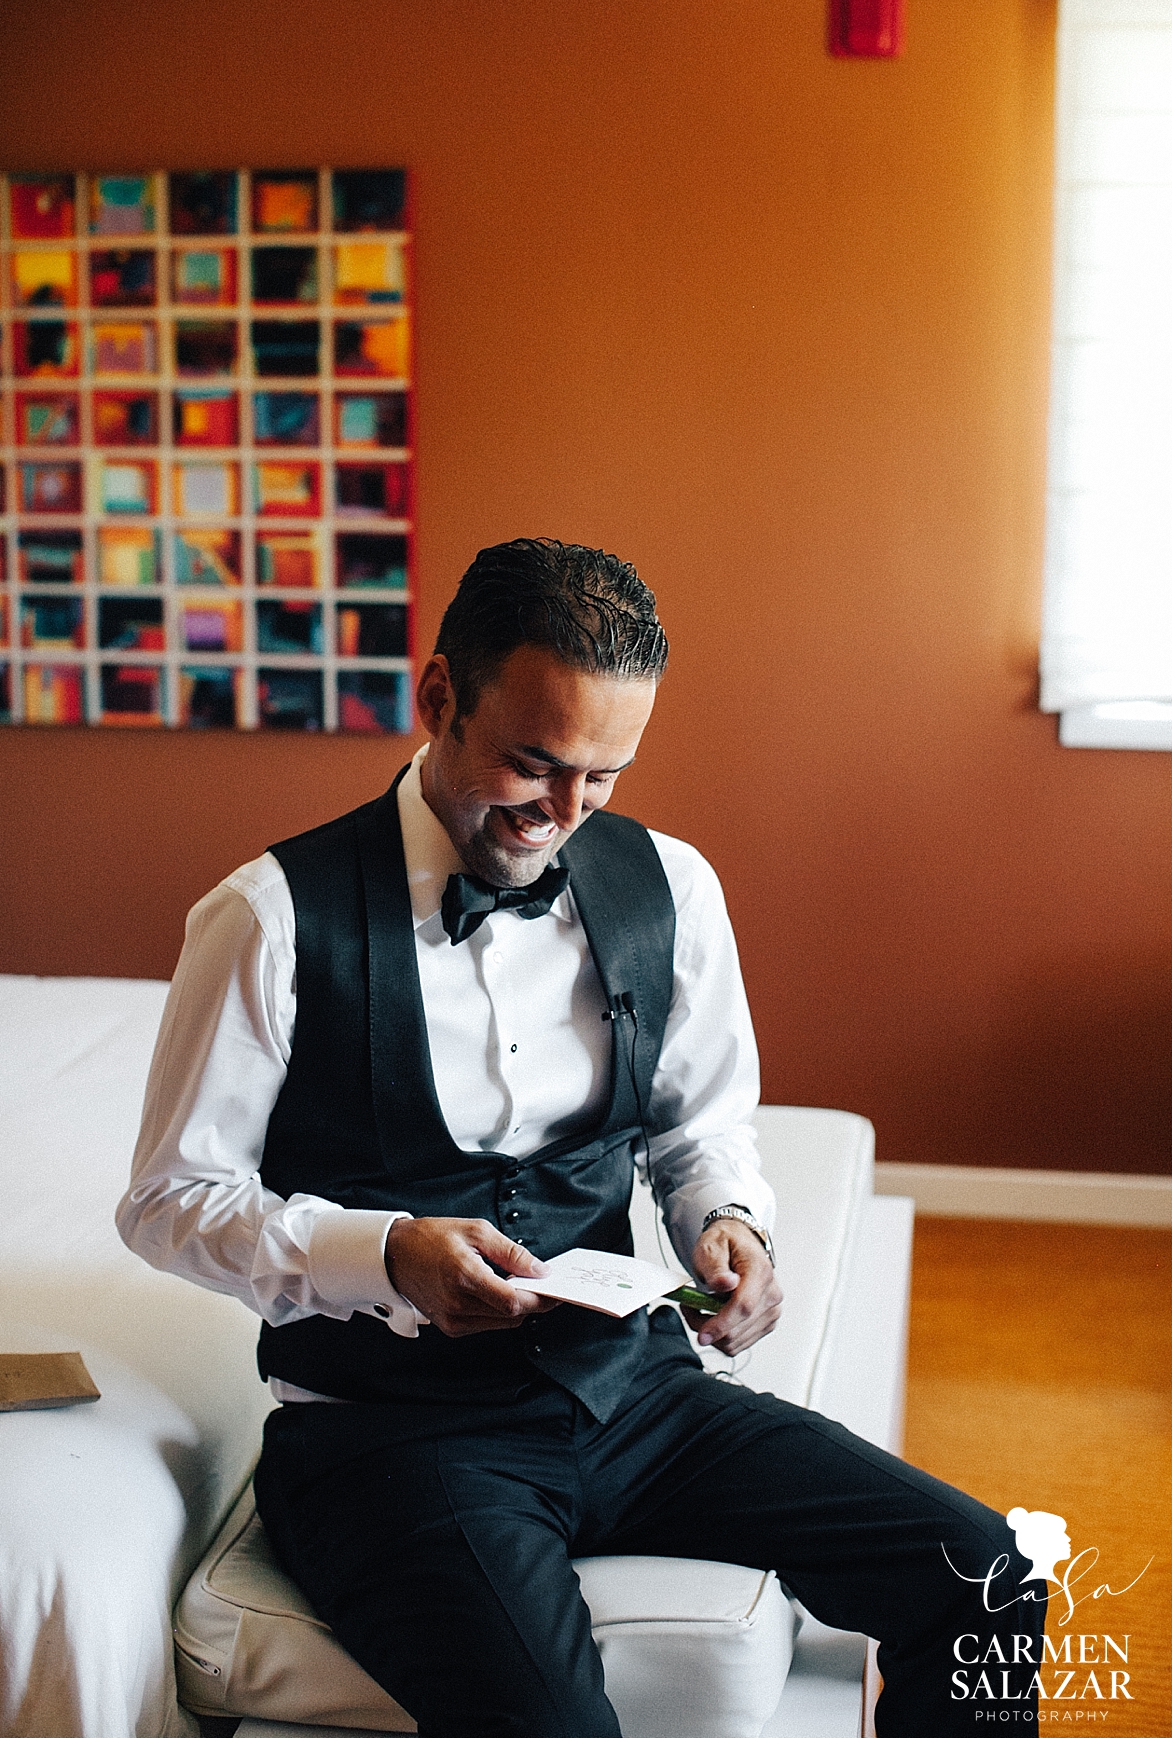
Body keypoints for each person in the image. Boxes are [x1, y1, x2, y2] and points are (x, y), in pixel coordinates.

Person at [119, 538, 1044, 1736]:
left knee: (990, 1579)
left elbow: (698, 1125)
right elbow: (169, 1201)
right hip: (390, 1442)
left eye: (602, 777)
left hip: (637, 1397)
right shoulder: (267, 918)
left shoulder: (673, 887)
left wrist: (729, 1225)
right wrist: (384, 1253)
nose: (563, 814)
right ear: (440, 696)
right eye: (534, 764)